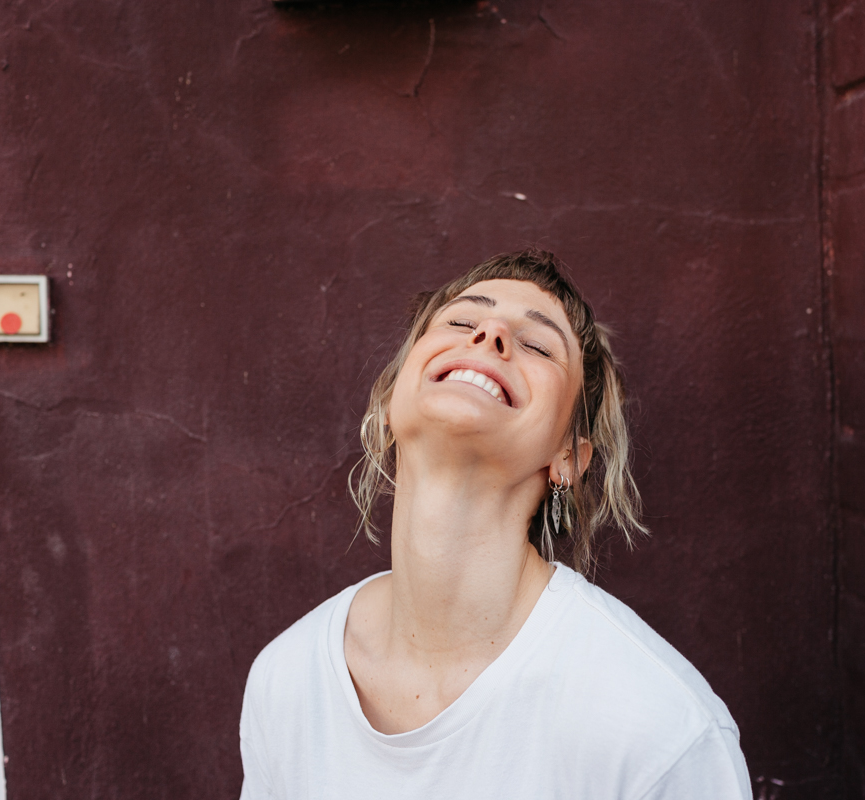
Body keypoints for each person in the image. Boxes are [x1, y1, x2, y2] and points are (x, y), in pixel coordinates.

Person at [239, 250, 752, 799]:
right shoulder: (288, 680)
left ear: (568, 458)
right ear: (388, 402)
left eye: (538, 345)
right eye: (461, 322)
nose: (490, 334)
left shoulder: (660, 729)